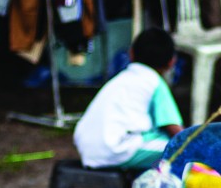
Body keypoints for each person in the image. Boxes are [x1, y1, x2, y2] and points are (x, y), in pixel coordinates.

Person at [73, 28, 184, 170]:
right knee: (181, 150)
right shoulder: (155, 83)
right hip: (116, 150)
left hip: (87, 149)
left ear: (131, 54)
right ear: (171, 62)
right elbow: (176, 131)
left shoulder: (119, 79)